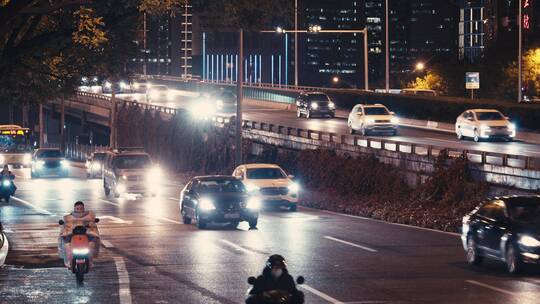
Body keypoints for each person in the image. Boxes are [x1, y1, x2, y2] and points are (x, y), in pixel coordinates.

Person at [59, 201, 100, 268]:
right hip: (72, 233)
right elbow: (67, 226)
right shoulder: (70, 217)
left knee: (92, 242)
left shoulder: (89, 216)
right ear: (74, 208)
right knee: (66, 243)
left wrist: (90, 225)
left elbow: (92, 225)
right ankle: (69, 261)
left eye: (81, 208)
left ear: (83, 208)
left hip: (87, 233)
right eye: (77, 208)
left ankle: (90, 261)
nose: (79, 210)